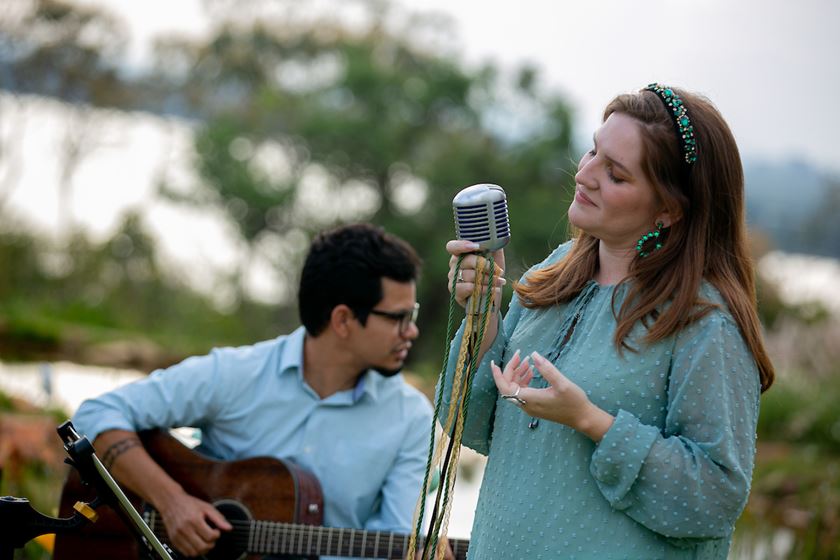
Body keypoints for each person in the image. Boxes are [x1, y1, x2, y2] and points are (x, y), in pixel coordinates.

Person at [442, 84, 775, 559]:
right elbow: (471, 426)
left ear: (669, 208)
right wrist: (483, 316)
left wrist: (591, 421)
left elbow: (714, 498)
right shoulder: (549, 277)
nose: (585, 174)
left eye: (615, 174)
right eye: (593, 151)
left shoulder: (705, 323)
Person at [73, 223, 434, 558]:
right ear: (343, 320)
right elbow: (93, 416)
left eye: (411, 315)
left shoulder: (412, 419)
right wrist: (172, 502)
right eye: (399, 317)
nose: (411, 331)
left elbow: (396, 541)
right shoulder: (235, 374)